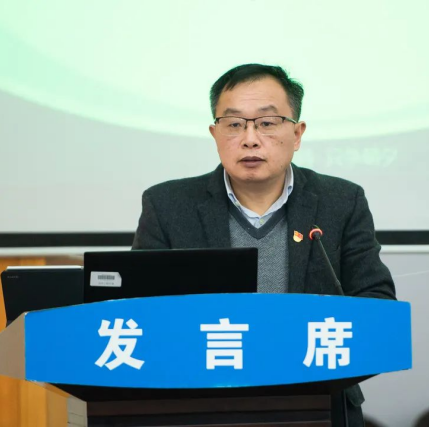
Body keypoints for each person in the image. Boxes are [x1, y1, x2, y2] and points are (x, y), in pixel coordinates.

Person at [132, 63, 396, 427]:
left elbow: (377, 304)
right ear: (214, 133)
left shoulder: (340, 201)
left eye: (267, 123)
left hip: (317, 400)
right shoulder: (168, 205)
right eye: (234, 124)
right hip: (199, 405)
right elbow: (139, 313)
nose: (250, 139)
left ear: (297, 134)